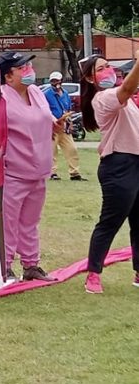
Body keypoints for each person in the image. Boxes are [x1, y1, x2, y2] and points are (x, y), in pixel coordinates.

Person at [80, 51, 139, 294]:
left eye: (109, 66)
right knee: (110, 222)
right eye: (101, 68)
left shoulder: (128, 102)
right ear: (90, 78)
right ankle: (93, 274)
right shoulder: (102, 98)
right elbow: (125, 90)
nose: (109, 71)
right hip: (119, 164)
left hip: (136, 161)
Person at [0, 52, 57, 283]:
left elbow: (45, 118)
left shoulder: (35, 92)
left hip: (39, 168)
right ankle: (4, 266)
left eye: (29, 65)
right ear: (8, 76)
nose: (29, 69)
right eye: (22, 67)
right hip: (14, 171)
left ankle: (31, 265)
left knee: (30, 222)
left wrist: (56, 123)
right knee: (9, 222)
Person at [45, 71, 85, 181]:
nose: (55, 83)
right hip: (53, 126)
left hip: (64, 126)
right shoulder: (47, 94)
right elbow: (45, 110)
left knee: (72, 149)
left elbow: (68, 109)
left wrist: (70, 123)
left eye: (57, 81)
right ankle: (52, 173)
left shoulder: (66, 94)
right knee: (52, 151)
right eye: (53, 81)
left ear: (61, 80)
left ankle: (74, 173)